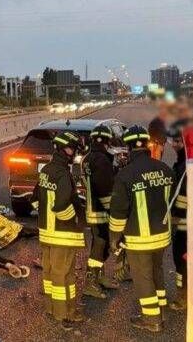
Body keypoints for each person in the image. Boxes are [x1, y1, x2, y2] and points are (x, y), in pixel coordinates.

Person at [109, 125, 175, 333]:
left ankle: (152, 319)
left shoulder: (125, 175)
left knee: (143, 277)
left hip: (138, 239)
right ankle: (161, 308)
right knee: (157, 271)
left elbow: (119, 212)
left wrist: (114, 238)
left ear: (128, 147)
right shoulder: (165, 169)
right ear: (147, 144)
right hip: (162, 236)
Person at [35, 130, 88, 329]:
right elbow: (61, 205)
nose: (74, 153)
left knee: (49, 272)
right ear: (64, 149)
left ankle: (51, 308)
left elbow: (35, 200)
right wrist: (73, 221)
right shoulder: (63, 174)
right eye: (73, 149)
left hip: (46, 234)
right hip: (62, 235)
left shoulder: (46, 170)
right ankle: (66, 313)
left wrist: (45, 219)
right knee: (64, 275)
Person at [81, 124, 119, 299]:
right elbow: (105, 189)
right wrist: (114, 212)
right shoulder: (102, 160)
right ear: (107, 141)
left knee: (99, 245)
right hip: (101, 211)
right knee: (100, 247)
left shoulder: (88, 158)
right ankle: (90, 282)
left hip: (92, 208)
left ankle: (100, 277)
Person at [167, 118, 189, 311]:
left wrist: (173, 213)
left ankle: (183, 298)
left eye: (178, 141)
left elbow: (181, 198)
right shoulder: (184, 163)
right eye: (172, 141)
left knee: (181, 261)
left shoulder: (185, 167)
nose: (174, 145)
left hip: (184, 224)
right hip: (186, 223)